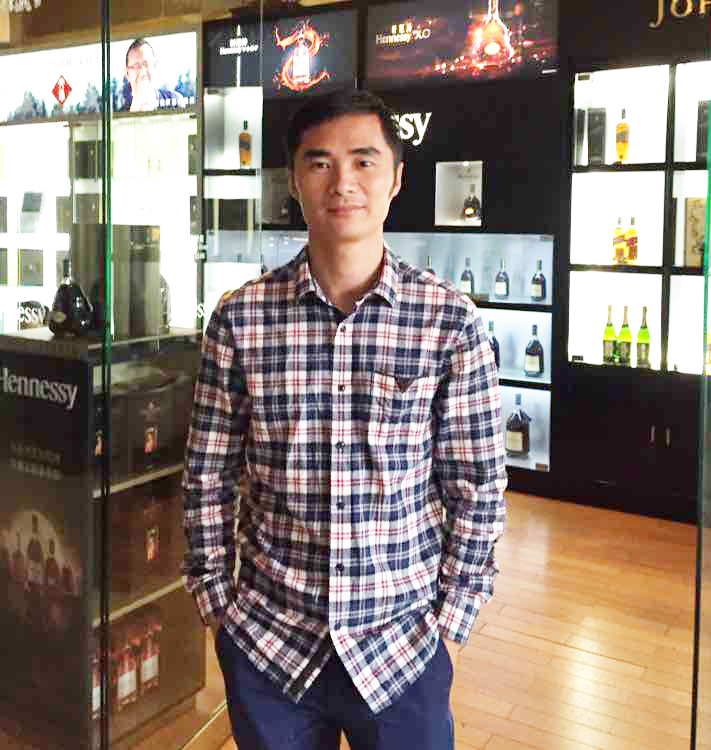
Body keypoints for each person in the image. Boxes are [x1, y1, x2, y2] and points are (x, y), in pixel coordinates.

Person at [182, 88, 507, 750]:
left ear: (396, 178)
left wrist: (451, 622)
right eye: (320, 162)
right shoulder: (241, 320)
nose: (343, 183)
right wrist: (219, 608)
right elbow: (207, 476)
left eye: (364, 161)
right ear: (294, 179)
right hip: (269, 645)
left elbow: (477, 485)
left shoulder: (449, 321)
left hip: (401, 648)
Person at [124, 38, 183, 112]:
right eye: (136, 66)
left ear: (155, 66)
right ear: (127, 73)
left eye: (146, 64)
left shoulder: (175, 101)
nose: (143, 72)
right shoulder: (116, 112)